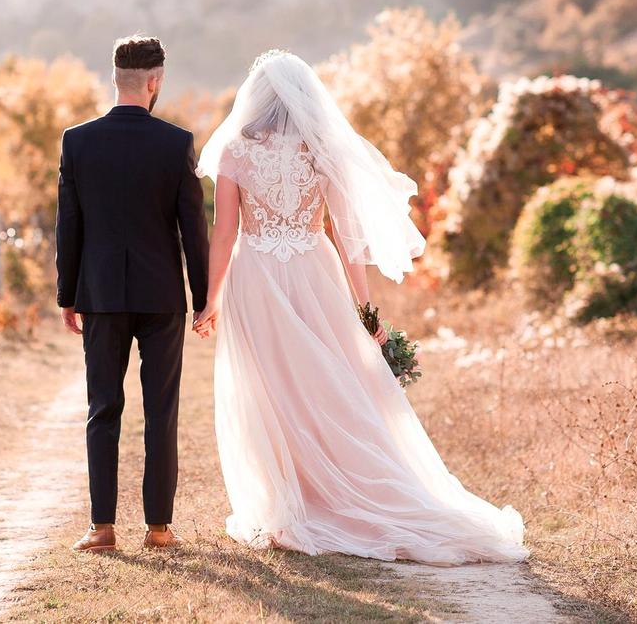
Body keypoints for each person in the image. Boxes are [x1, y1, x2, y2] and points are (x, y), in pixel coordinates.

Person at [193, 50, 527, 565]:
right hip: (314, 270)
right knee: (329, 382)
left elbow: (224, 233)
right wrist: (364, 308)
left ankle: (292, 504)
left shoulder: (236, 150)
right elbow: (346, 238)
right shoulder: (323, 149)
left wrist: (210, 299)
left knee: (270, 387)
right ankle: (323, 495)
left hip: (255, 272)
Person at [56, 35, 209, 552]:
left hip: (98, 292)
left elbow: (69, 225)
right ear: (154, 81)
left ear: (115, 78)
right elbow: (194, 230)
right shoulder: (176, 143)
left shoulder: (76, 141)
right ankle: (159, 529)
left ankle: (102, 528)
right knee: (161, 409)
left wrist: (66, 294)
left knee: (103, 407)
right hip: (162, 293)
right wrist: (205, 296)